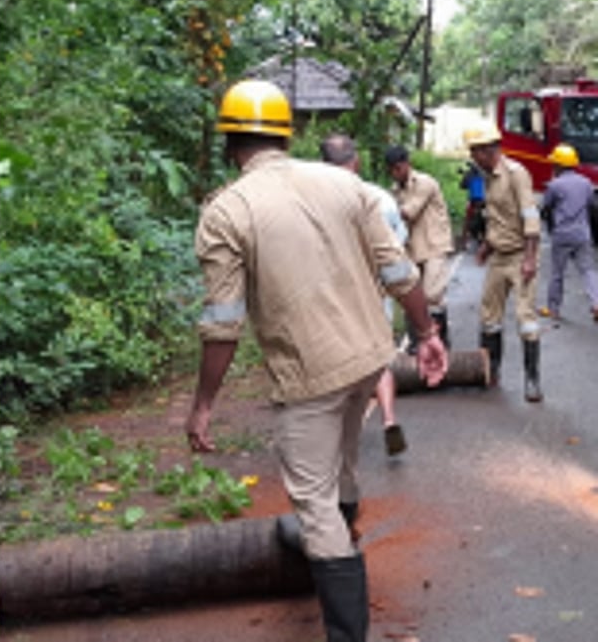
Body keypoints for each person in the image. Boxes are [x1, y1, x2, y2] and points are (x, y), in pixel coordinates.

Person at [186, 79, 447, 642]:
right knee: (345, 459)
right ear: (287, 133)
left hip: (308, 378)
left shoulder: (227, 211)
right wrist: (426, 332)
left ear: (230, 142)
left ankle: (345, 626)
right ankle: (337, 534)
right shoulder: (344, 185)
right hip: (368, 359)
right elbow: (399, 272)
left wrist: (204, 404)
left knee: (314, 502)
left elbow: (223, 324)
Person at [319, 134, 408, 457]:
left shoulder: (312, 202)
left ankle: (340, 435)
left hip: (332, 296)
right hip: (375, 291)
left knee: (337, 360)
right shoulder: (378, 198)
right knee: (379, 358)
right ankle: (388, 419)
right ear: (355, 162)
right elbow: (397, 251)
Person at [464, 123, 544, 402]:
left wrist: (531, 259)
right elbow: (496, 218)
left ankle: (532, 380)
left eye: (476, 152)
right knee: (489, 316)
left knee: (526, 319)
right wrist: (486, 246)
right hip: (499, 255)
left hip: (522, 254)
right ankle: (491, 371)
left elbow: (530, 216)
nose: (473, 157)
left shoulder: (516, 174)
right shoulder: (485, 177)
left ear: (489, 150)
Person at [386, 145, 455, 350]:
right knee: (411, 295)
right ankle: (418, 343)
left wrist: (380, 212)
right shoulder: (395, 190)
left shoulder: (425, 183)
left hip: (434, 245)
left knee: (432, 295)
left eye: (398, 168)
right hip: (414, 250)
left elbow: (408, 212)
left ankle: (440, 342)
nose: (395, 173)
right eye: (392, 169)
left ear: (407, 164)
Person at [539, 143, 598, 322]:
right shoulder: (586, 183)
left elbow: (545, 208)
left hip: (562, 234)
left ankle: (553, 309)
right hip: (582, 234)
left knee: (557, 273)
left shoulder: (554, 185)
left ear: (558, 165)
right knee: (588, 270)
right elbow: (593, 205)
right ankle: (596, 303)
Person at [459, 160, 487, 250]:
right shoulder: (486, 172)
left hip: (476, 202)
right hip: (482, 202)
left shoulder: (469, 174)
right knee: (466, 220)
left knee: (466, 221)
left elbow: (462, 186)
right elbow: (462, 185)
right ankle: (463, 243)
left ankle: (463, 243)